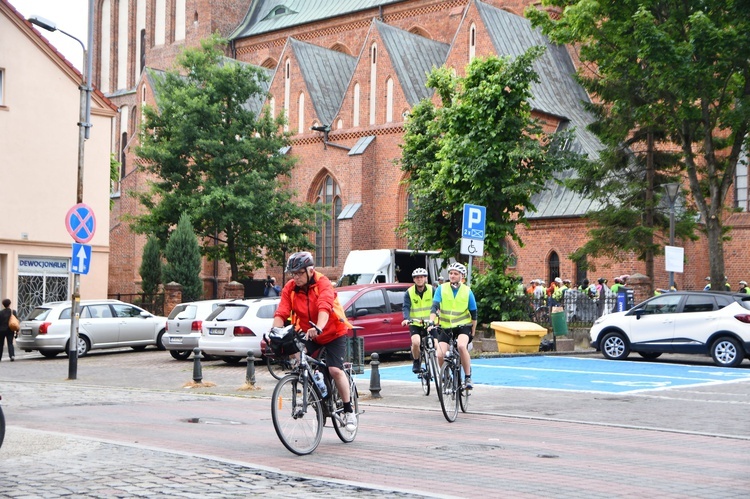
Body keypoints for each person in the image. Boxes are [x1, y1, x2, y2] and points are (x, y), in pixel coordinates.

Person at [271, 251, 357, 431]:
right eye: (293, 273)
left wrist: (318, 327)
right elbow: (282, 312)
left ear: (310, 270)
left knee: (334, 370)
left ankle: (348, 410)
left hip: (333, 332)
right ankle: (316, 389)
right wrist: (275, 332)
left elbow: (324, 306)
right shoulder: (290, 288)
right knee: (297, 356)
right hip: (308, 333)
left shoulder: (322, 283)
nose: (296, 277)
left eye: (300, 273)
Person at [429, 262, 477, 390]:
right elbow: (435, 306)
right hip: (446, 327)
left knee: (461, 346)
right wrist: (431, 322)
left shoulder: (467, 291)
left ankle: (467, 377)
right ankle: (446, 377)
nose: (452, 276)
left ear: (462, 276)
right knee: (439, 354)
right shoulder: (441, 288)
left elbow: (474, 314)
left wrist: (473, 331)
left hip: (463, 326)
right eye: (450, 273)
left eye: (456, 274)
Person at [401, 268, 434, 373]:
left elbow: (438, 303)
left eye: (422, 277)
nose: (419, 279)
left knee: (437, 345)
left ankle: (439, 368)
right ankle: (416, 360)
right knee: (416, 342)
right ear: (414, 279)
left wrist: (439, 315)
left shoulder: (432, 289)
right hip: (415, 323)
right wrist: (406, 319)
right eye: (417, 277)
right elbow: (406, 307)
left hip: (430, 322)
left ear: (425, 278)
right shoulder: (409, 292)